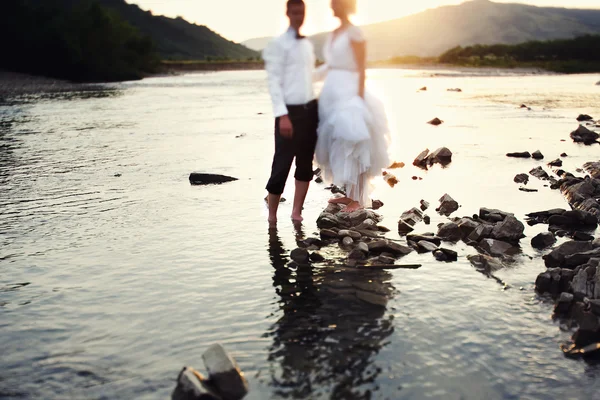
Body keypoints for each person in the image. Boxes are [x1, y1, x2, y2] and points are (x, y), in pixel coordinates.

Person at [315, 0, 392, 213]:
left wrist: (358, 97)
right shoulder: (334, 32)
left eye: (336, 4)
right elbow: (330, 65)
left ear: (345, 6)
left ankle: (357, 199)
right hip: (331, 93)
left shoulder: (355, 32)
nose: (332, 7)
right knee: (338, 142)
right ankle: (349, 196)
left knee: (354, 141)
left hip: (349, 91)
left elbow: (361, 66)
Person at [263, 0, 320, 224]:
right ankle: (272, 217)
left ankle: (296, 212)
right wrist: (283, 115)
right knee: (281, 165)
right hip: (288, 113)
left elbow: (309, 78)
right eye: (295, 12)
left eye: (302, 11)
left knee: (305, 164)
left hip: (310, 111)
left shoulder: (307, 44)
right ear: (288, 13)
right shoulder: (278, 44)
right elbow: (274, 83)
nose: (299, 15)